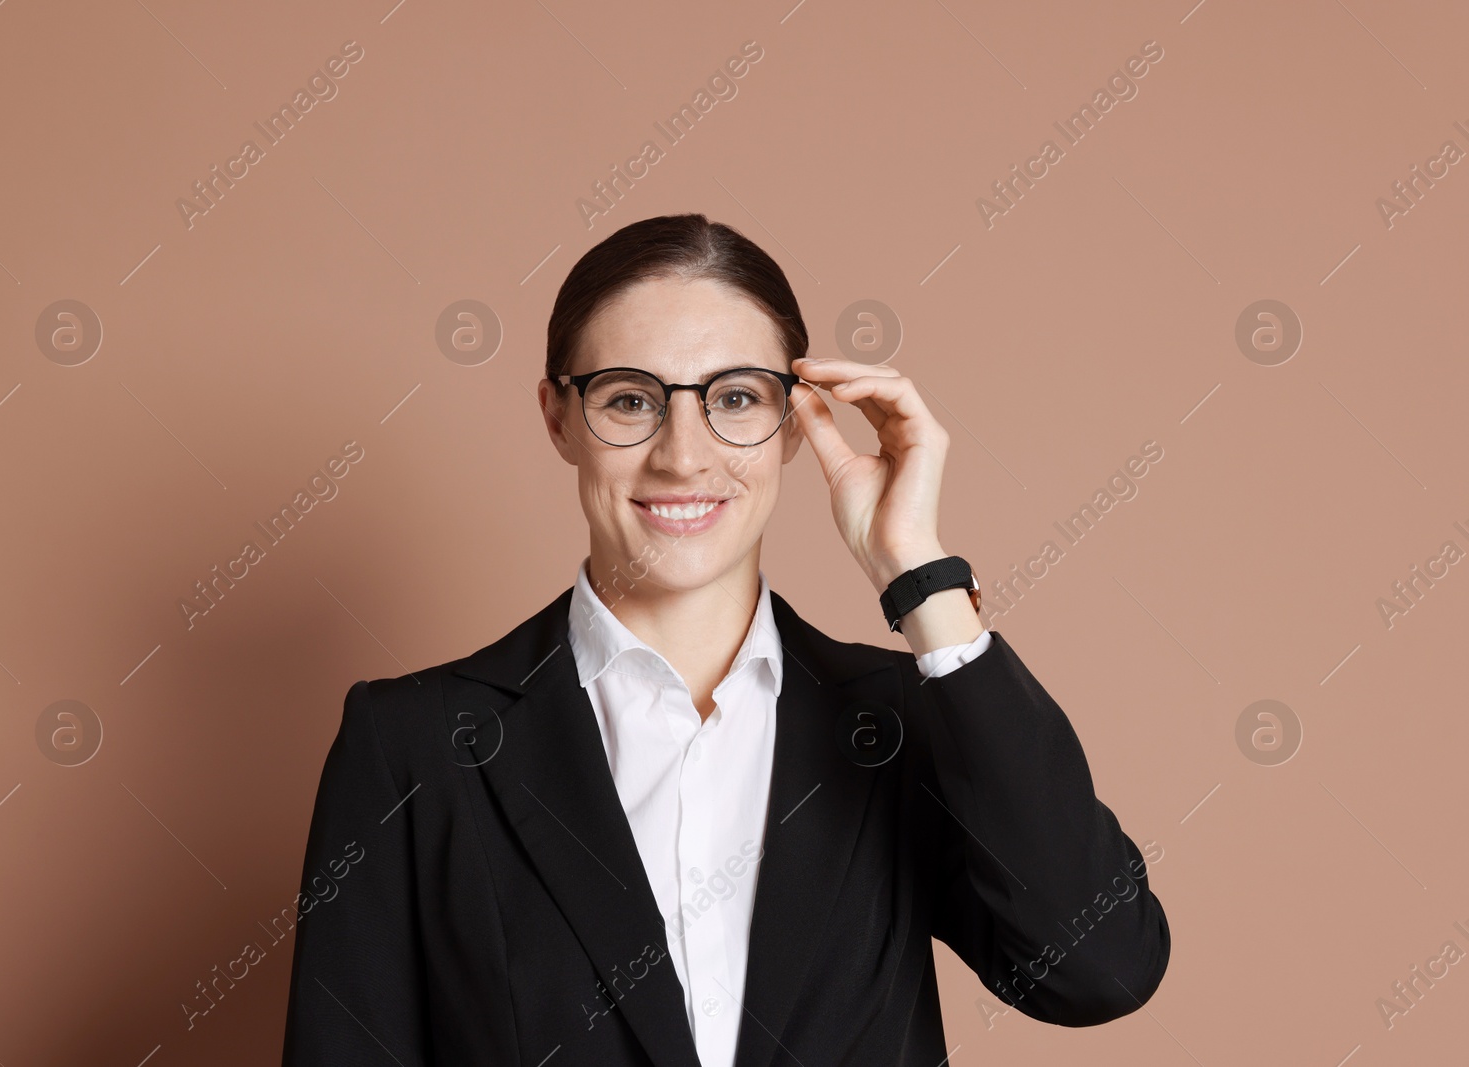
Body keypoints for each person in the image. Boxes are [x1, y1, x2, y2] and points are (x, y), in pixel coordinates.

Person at [281, 213, 1170, 1066]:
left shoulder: (903, 724)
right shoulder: (412, 745)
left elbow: (1100, 968)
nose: (683, 454)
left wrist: (919, 573)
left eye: (735, 399)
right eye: (630, 400)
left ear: (793, 422)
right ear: (557, 417)